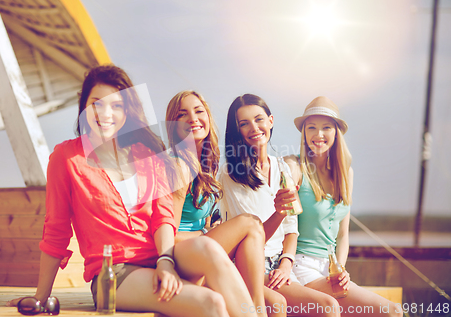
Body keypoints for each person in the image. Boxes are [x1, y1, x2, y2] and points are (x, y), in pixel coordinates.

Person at [7, 65, 261, 317]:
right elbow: (56, 230)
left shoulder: (147, 154)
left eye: (116, 105)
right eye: (97, 103)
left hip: (158, 257)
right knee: (211, 303)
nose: (106, 113)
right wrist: (41, 296)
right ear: (83, 106)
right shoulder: (67, 157)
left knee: (210, 248)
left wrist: (166, 261)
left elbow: (162, 216)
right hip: (115, 274)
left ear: (127, 112)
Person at [165, 91, 286, 317]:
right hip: (181, 257)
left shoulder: (205, 164)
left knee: (277, 304)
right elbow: (168, 234)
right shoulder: (178, 166)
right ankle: (257, 311)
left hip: (201, 252)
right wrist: (206, 233)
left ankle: (256, 309)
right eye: (183, 114)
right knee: (250, 223)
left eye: (199, 111)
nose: (193, 118)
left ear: (208, 117)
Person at [220, 94, 341, 317]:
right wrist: (277, 213)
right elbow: (252, 238)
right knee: (278, 305)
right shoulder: (231, 174)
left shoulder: (282, 168)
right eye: (244, 124)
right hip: (249, 266)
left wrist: (286, 263)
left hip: (281, 266)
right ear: (237, 131)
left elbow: (291, 228)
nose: (254, 128)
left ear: (271, 121)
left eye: (259, 119)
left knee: (329, 306)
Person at [283, 96, 402, 317]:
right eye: (312, 128)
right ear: (304, 133)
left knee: (393, 311)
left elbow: (343, 235)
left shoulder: (346, 174)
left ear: (336, 132)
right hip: (300, 267)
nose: (319, 135)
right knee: (335, 309)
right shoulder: (294, 166)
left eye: (326, 127)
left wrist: (341, 269)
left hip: (331, 269)